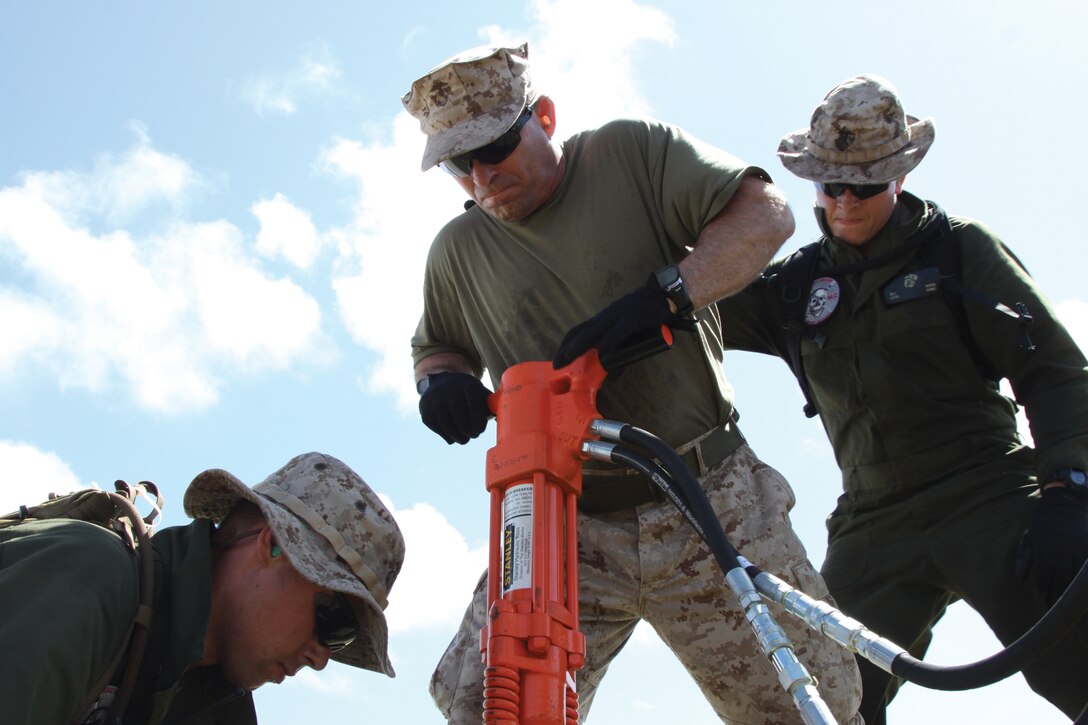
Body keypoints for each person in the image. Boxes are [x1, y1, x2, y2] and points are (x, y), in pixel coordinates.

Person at [402, 43, 862, 724]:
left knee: (809, 705)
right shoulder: (456, 252)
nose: (482, 175)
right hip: (560, 521)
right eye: (457, 164)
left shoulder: (630, 156)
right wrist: (442, 385)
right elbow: (438, 348)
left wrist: (665, 295)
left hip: (706, 492)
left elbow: (766, 217)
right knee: (488, 708)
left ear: (545, 118)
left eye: (496, 146)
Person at [718, 74, 1088, 722]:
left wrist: (1070, 486)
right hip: (873, 518)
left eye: (864, 185)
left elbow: (1056, 371)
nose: (846, 201)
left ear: (898, 177)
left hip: (986, 492)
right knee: (822, 694)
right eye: (832, 185)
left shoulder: (959, 251)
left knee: (1079, 653)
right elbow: (693, 307)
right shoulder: (795, 287)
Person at [0, 451, 405, 725]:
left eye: (342, 639)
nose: (321, 659)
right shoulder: (86, 578)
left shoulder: (218, 705)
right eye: (333, 623)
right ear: (273, 546)